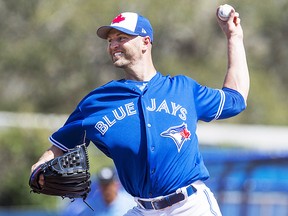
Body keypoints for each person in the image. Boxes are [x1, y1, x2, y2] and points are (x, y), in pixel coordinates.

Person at [31, 6, 249, 216]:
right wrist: (39, 166)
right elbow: (59, 146)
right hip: (142, 209)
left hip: (190, 207)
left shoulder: (183, 90)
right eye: (110, 40)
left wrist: (234, 37)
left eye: (121, 38)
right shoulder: (97, 102)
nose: (113, 45)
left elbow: (235, 99)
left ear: (146, 42)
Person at [61, 166, 136, 216]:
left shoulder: (131, 204)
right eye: (103, 185)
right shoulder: (92, 207)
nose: (106, 188)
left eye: (108, 184)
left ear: (116, 184)